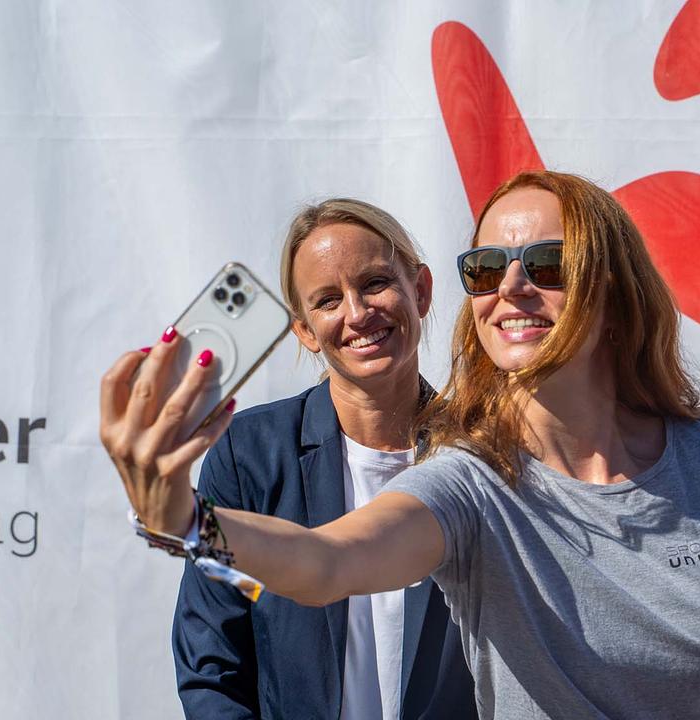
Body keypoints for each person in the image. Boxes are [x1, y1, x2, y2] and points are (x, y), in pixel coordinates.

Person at [102, 172, 700, 719]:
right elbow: (324, 564)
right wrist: (186, 520)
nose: (511, 287)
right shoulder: (470, 480)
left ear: (610, 290)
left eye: (545, 264)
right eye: (487, 267)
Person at [117, 199, 478, 719]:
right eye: (329, 300)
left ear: (419, 290)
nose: (357, 313)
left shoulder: (481, 455)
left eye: (375, 282)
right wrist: (177, 517)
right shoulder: (252, 455)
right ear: (305, 330)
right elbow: (212, 660)